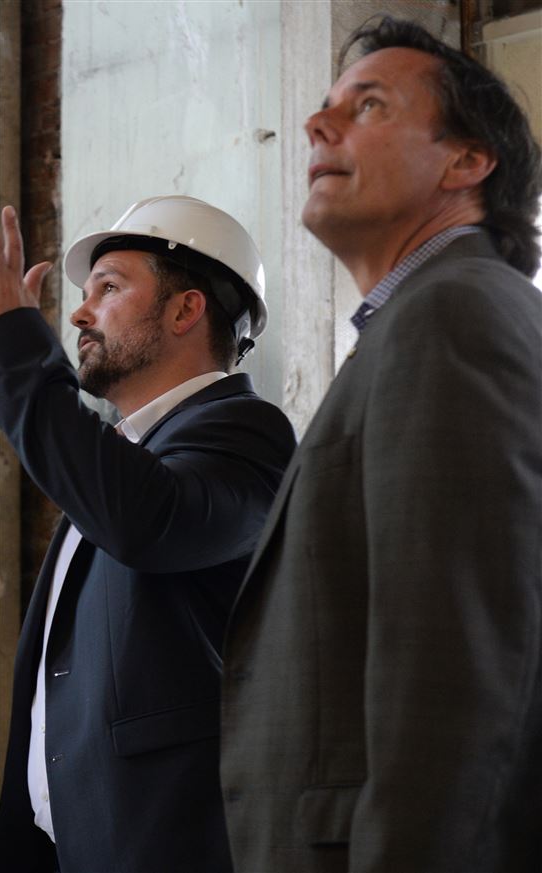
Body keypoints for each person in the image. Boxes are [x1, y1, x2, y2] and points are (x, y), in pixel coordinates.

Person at [220, 17, 542, 872]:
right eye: (324, 108)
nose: (318, 127)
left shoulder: (454, 312)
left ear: (467, 162)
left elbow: (457, 675)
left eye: (367, 107)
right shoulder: (418, 319)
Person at [0, 196, 295, 872]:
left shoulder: (248, 434)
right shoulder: (121, 457)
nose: (77, 313)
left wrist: (13, 346)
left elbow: (145, 521)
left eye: (107, 288)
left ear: (185, 310)